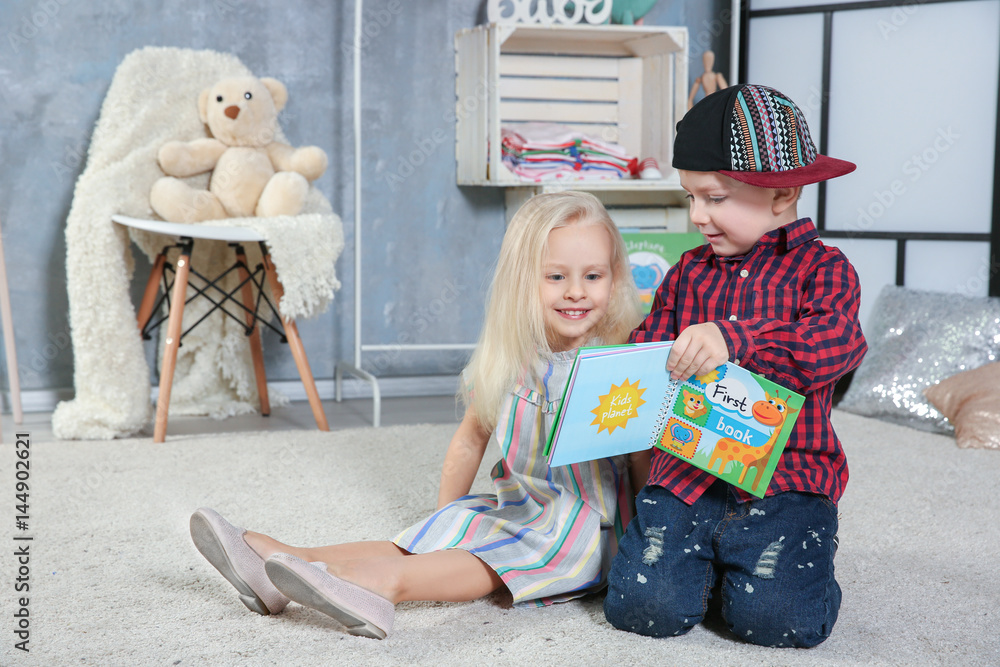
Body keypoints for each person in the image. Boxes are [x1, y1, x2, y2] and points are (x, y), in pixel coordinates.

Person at [190, 191, 645, 640]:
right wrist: (444, 524)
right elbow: (469, 442)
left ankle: (382, 585)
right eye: (556, 277)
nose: (576, 293)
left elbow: (643, 455)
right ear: (523, 280)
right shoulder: (510, 360)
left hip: (587, 529)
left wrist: (647, 535)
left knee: (504, 552)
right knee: (453, 528)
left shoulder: (619, 362)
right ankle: (283, 560)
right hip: (523, 505)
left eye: (592, 276)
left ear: (615, 277)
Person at [603, 84, 868, 648]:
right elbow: (649, 350)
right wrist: (617, 370)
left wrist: (735, 339)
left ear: (783, 193)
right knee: (640, 608)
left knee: (779, 624)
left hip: (785, 481)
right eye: (690, 198)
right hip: (687, 471)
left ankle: (802, 561)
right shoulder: (687, 273)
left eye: (715, 198)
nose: (697, 215)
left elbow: (835, 342)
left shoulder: (825, 270)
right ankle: (711, 569)